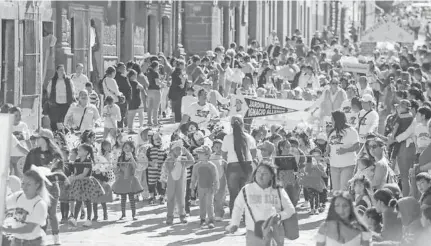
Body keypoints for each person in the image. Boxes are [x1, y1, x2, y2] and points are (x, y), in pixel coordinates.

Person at [226, 163, 296, 246]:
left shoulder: (278, 190)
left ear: (272, 176)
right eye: (258, 171)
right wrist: (235, 224)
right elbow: (238, 207)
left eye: (265, 173)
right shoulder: (246, 190)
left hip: (275, 231)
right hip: (253, 232)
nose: (261, 175)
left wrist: (280, 216)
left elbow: (291, 209)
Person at [23, 129, 63, 245]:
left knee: (52, 213)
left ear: (46, 139)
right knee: (41, 213)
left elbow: (59, 171)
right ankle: (41, 238)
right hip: (37, 187)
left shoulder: (56, 154)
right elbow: (26, 169)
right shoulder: (32, 153)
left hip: (52, 186)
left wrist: (49, 170)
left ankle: (56, 238)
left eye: (38, 137)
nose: (36, 140)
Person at [2, 167, 51, 246]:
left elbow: (29, 229)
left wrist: (7, 230)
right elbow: (3, 205)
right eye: (23, 183)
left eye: (28, 184)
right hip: (16, 241)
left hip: (34, 242)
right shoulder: (18, 196)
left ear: (37, 185)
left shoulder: (40, 204)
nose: (24, 187)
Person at [222, 116, 257, 216]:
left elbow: (223, 154)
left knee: (233, 194)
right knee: (246, 193)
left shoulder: (227, 137)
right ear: (242, 124)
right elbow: (253, 153)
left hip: (232, 166)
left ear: (231, 125)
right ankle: (246, 216)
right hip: (247, 165)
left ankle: (234, 216)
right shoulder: (249, 137)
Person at [68, 144, 105, 227]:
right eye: (78, 150)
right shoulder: (77, 161)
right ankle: (74, 219)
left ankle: (88, 219)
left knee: (88, 201)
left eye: (80, 150)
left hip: (86, 183)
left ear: (86, 152)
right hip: (78, 183)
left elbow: (84, 174)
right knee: (78, 201)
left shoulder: (88, 161)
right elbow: (75, 172)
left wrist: (74, 178)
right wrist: (72, 177)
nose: (78, 151)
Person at [327, 110, 360, 191]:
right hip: (334, 165)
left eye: (332, 119)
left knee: (344, 189)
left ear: (337, 120)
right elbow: (329, 145)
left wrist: (346, 150)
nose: (331, 121)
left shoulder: (351, 130)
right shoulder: (332, 132)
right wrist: (326, 152)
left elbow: (357, 145)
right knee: (336, 190)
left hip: (348, 165)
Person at [164, 140, 194, 225]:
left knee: (181, 199)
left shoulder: (183, 160)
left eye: (180, 149)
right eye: (176, 149)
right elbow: (169, 169)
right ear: (172, 151)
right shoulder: (168, 159)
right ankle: (170, 217)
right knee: (170, 199)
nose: (179, 151)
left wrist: (187, 152)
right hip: (171, 182)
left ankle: (182, 215)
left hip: (180, 182)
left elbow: (192, 161)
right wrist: (173, 159)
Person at [112, 141, 143, 220]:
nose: (127, 149)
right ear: (122, 148)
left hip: (131, 180)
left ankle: (134, 215)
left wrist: (132, 157)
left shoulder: (134, 158)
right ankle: (123, 214)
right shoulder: (120, 158)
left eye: (130, 148)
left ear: (133, 149)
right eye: (125, 147)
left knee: (131, 199)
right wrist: (115, 169)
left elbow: (135, 166)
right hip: (122, 179)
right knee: (123, 198)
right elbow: (117, 169)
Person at [190, 145, 219, 229]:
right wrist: (192, 188)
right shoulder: (196, 166)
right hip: (200, 188)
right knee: (202, 204)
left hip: (210, 188)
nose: (198, 156)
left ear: (207, 155)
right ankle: (202, 219)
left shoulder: (212, 166)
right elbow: (194, 178)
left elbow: (215, 177)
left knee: (209, 204)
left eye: (200, 154)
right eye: (198, 154)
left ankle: (211, 220)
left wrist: (216, 186)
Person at [45, 64, 75, 131]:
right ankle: (55, 133)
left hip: (66, 103)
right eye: (60, 70)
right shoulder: (53, 81)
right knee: (55, 120)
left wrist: (72, 98)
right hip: (55, 104)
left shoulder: (68, 80)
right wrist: (51, 99)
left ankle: (65, 133)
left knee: (64, 120)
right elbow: (48, 91)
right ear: (57, 71)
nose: (62, 71)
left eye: (63, 70)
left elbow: (73, 90)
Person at [147, 61, 166, 126]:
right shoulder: (155, 73)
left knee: (150, 107)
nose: (158, 68)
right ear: (156, 66)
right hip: (156, 91)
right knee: (156, 108)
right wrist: (163, 84)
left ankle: (149, 121)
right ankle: (155, 121)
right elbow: (157, 82)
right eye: (158, 66)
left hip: (149, 90)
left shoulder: (148, 73)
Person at [126, 69, 144, 133]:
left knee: (130, 116)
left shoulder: (127, 82)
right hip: (136, 101)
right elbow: (141, 87)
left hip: (129, 101)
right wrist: (136, 81)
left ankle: (129, 129)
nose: (136, 77)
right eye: (135, 75)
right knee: (137, 115)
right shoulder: (135, 83)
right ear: (132, 76)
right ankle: (137, 128)